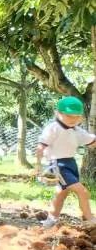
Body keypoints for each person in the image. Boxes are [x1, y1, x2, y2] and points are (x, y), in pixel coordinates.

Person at [36, 96, 96, 227]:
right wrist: (38, 165)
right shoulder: (53, 128)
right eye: (68, 116)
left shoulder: (77, 131)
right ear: (57, 113)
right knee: (82, 191)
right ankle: (91, 220)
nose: (73, 119)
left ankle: (51, 220)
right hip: (58, 164)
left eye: (77, 116)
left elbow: (92, 141)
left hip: (71, 163)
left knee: (62, 193)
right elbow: (41, 145)